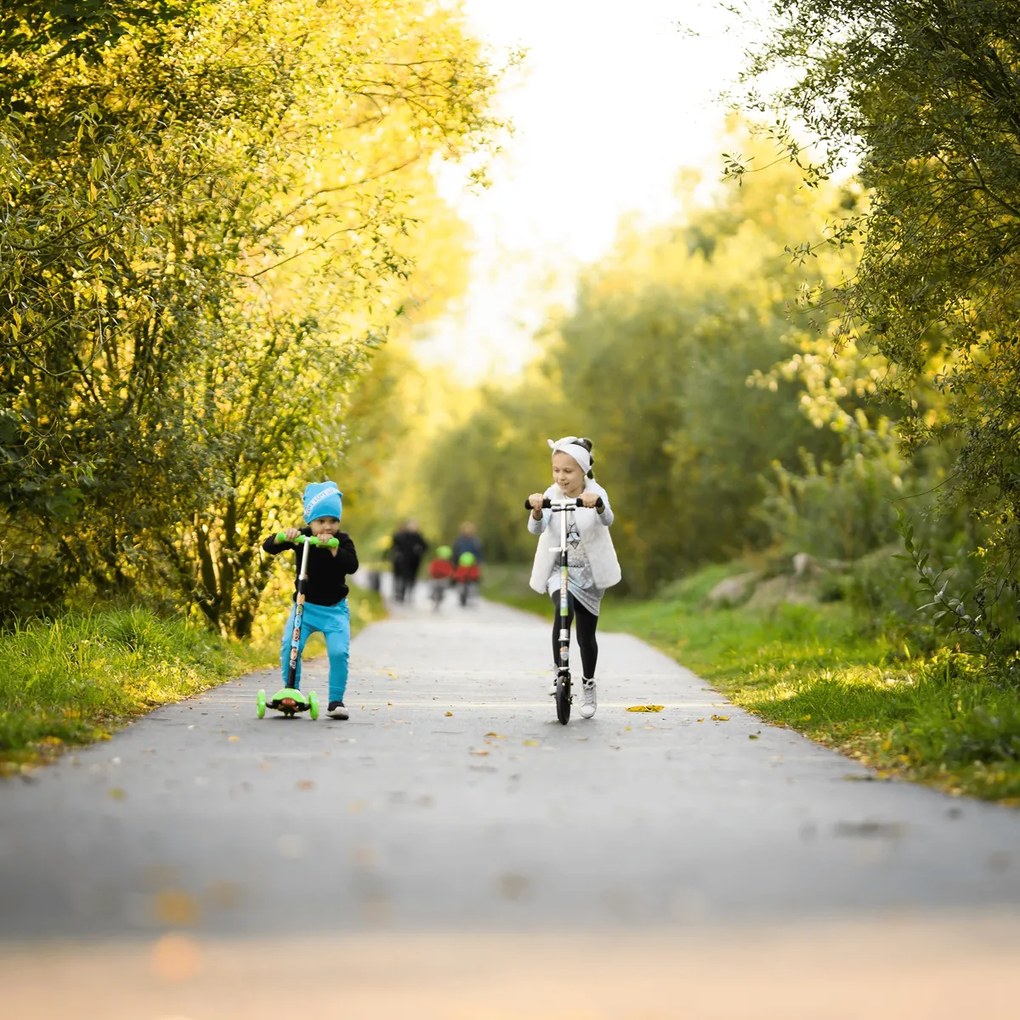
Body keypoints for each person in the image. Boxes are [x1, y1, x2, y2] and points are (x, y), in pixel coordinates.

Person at [526, 437, 621, 719]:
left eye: (567, 471)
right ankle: (560, 672)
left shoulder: (595, 491)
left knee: (586, 635)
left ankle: (589, 683)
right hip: (560, 568)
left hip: (589, 573)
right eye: (556, 470)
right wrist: (537, 508)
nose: (561, 477)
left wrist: (599, 504)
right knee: (561, 611)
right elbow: (536, 528)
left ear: (582, 471)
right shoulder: (551, 493)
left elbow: (608, 520)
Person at [262, 481, 359, 720]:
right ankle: (291, 690)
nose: (328, 527)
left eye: (333, 521)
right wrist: (284, 536)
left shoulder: (342, 541)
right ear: (310, 521)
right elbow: (269, 546)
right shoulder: (303, 537)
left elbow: (352, 565)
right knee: (290, 646)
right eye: (321, 521)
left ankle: (336, 701)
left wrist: (335, 549)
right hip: (304, 608)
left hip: (335, 610)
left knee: (338, 652)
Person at [389, 519, 428, 603]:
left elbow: (425, 547)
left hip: (414, 562)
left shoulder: (419, 537)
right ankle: (400, 594)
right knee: (402, 578)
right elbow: (395, 544)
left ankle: (409, 594)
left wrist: (419, 550)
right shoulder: (403, 536)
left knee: (411, 579)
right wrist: (398, 554)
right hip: (403, 561)